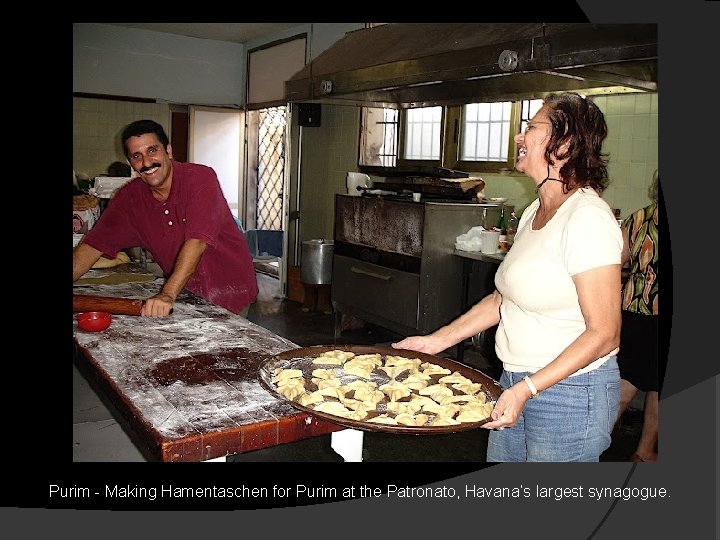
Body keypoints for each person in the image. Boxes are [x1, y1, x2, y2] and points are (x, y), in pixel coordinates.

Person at [393, 92, 623, 462]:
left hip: (569, 394)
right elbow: (504, 300)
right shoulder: (536, 210)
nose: (520, 136)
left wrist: (528, 388)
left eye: (531, 127)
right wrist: (435, 342)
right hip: (515, 381)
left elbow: (605, 332)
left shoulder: (588, 218)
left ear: (564, 144)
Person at [73, 119, 259, 317]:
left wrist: (167, 294)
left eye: (152, 151)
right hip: (186, 293)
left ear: (168, 151)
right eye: (137, 156)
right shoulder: (129, 199)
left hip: (229, 290)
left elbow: (197, 242)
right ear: (131, 163)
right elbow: (91, 247)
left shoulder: (200, 179)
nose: (146, 163)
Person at [615, 172, 661, 462]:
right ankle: (643, 451)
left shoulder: (639, 218)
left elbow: (617, 260)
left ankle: (592, 441)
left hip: (632, 313)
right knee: (660, 386)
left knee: (625, 380)